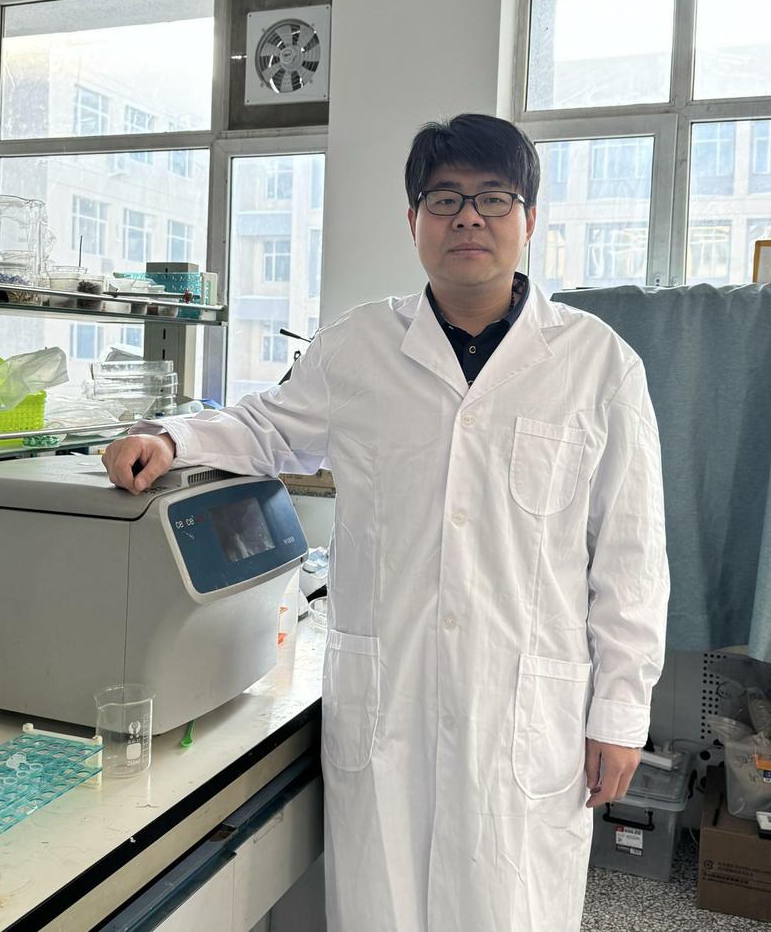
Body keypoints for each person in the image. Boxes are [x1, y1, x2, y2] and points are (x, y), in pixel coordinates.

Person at [103, 114, 669, 932]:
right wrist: (170, 439)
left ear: (528, 219)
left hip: (522, 710)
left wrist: (618, 715)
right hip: (388, 697)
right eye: (444, 199)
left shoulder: (598, 364)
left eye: (492, 197)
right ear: (412, 220)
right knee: (384, 909)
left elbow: (630, 556)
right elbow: (268, 427)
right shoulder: (358, 347)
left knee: (509, 908)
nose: (467, 218)